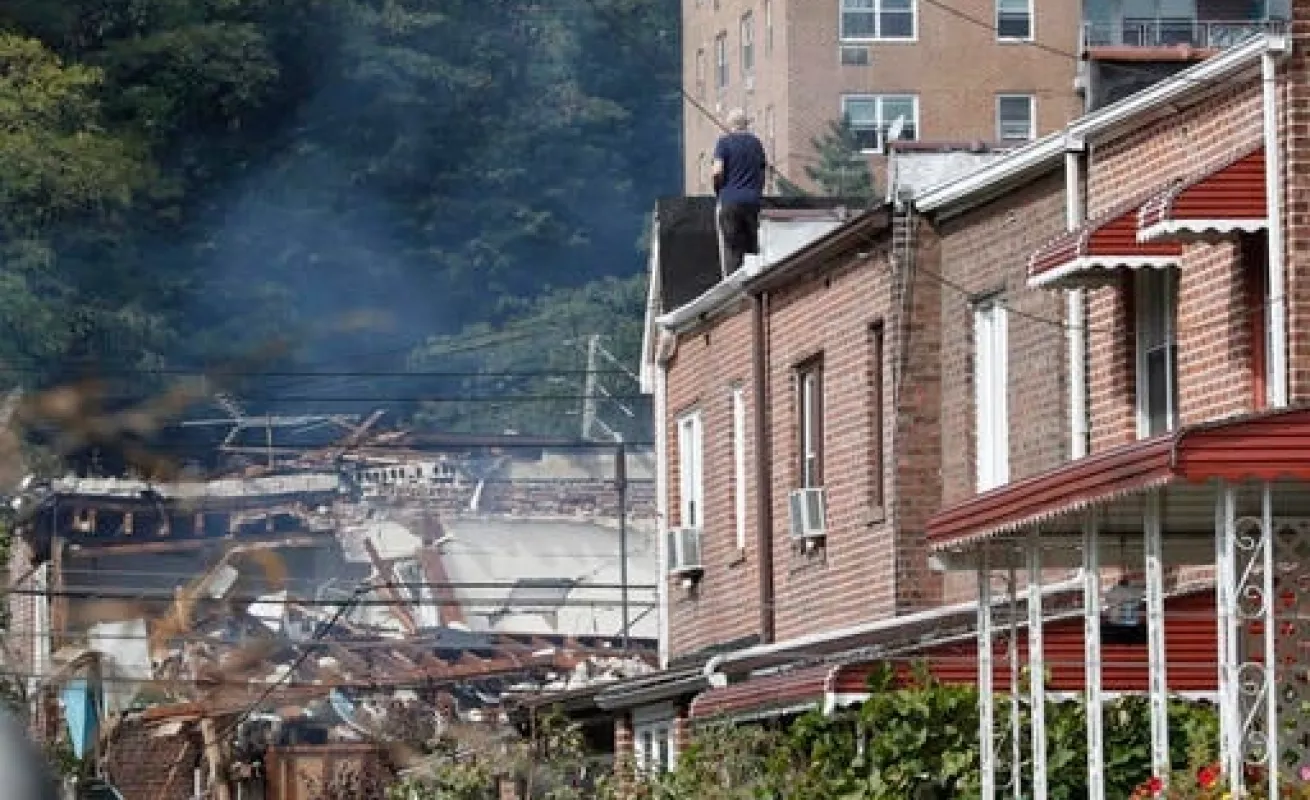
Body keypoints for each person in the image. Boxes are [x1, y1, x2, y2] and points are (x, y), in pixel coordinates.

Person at [711, 108, 767, 276]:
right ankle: (754, 284)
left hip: (730, 202)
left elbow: (717, 171)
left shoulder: (723, 143)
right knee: (752, 248)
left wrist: (718, 189)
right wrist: (757, 192)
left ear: (729, 125)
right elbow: (762, 172)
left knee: (733, 249)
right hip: (752, 202)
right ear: (746, 125)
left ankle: (735, 288)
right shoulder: (756, 143)